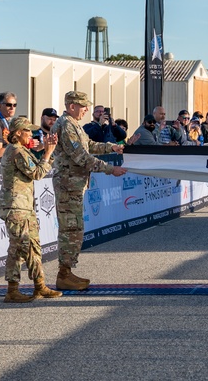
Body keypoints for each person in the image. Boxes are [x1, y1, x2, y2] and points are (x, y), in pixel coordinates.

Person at [52, 91, 129, 291]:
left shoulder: (74, 124)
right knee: (70, 231)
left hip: (75, 186)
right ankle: (64, 275)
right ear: (71, 106)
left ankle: (67, 271)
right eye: (83, 106)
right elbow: (81, 157)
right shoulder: (66, 125)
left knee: (75, 229)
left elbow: (89, 146)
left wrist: (111, 147)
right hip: (68, 186)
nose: (87, 109)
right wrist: (110, 169)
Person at [0, 117, 62, 303]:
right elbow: (37, 173)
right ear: (18, 133)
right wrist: (48, 153)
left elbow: (34, 164)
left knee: (31, 246)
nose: (31, 134)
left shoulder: (20, 150)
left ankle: (39, 286)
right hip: (16, 207)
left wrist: (43, 149)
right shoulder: (16, 151)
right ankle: (13, 289)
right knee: (20, 247)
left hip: (24, 206)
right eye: (28, 131)